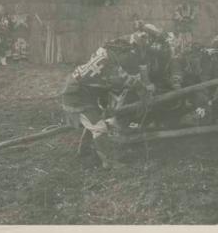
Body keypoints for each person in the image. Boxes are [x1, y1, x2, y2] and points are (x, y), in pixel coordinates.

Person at [61, 34, 156, 168]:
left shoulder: (103, 55)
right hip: (76, 97)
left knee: (94, 122)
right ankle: (110, 162)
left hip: (80, 93)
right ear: (119, 52)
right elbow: (126, 80)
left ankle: (85, 151)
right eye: (126, 53)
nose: (128, 57)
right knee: (99, 127)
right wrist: (143, 89)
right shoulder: (109, 66)